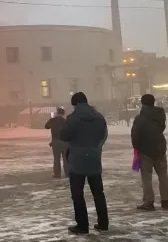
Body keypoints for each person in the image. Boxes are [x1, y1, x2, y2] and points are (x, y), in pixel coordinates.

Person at [61, 92, 109, 234]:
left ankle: (82, 225)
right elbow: (103, 134)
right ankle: (103, 223)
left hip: (77, 160)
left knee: (77, 194)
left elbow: (64, 135)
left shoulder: (73, 118)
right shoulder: (99, 117)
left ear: (75, 104)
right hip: (94, 158)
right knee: (98, 192)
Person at [131, 94, 168, 211]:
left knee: (146, 176)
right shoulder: (160, 114)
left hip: (146, 150)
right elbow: (161, 127)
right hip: (160, 148)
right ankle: (165, 200)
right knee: (163, 175)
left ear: (142, 103)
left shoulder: (140, 118)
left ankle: (149, 201)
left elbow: (135, 135)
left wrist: (137, 147)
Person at [45, 108, 68, 178]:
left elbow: (46, 126)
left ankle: (57, 174)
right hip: (65, 142)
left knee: (56, 159)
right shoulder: (65, 121)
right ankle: (67, 173)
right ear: (63, 114)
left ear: (57, 113)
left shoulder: (53, 120)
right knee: (66, 159)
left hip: (56, 142)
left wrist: (52, 120)